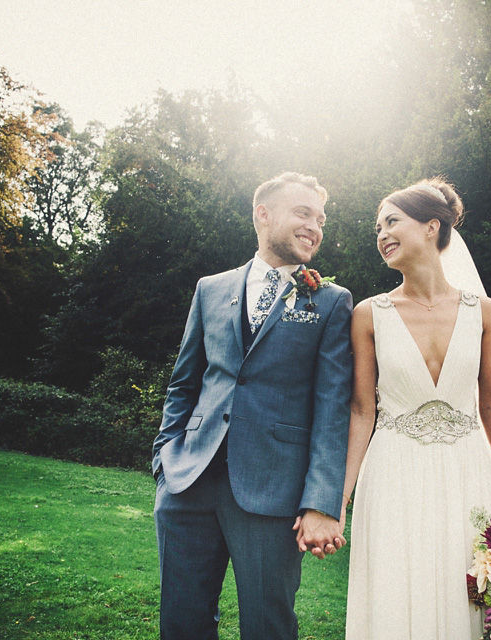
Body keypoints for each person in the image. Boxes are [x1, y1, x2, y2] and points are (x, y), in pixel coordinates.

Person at [342, 178, 491, 639]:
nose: (381, 234)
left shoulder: (483, 311)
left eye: (392, 221)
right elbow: (362, 410)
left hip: (467, 472)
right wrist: (337, 499)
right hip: (394, 472)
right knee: (399, 590)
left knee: (469, 590)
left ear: (431, 227)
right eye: (377, 227)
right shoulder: (368, 314)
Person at [152, 172, 353, 640]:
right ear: (263, 214)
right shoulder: (210, 288)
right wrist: (165, 457)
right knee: (181, 623)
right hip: (188, 480)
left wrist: (321, 500)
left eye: (320, 219)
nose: (315, 227)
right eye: (303, 213)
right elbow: (185, 382)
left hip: (272, 491)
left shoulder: (330, 301)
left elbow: (333, 408)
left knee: (268, 626)